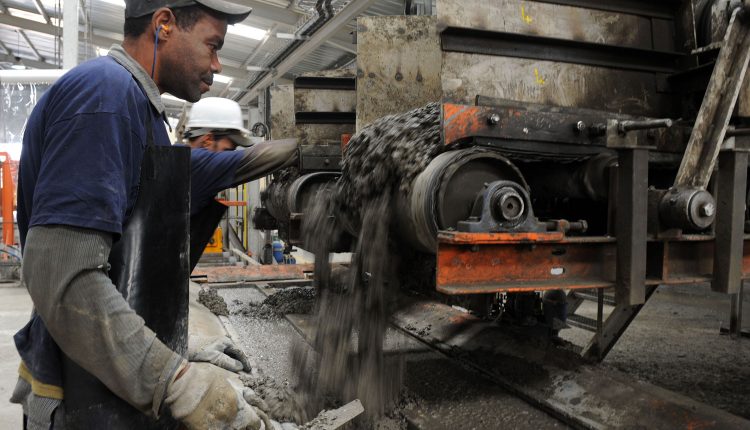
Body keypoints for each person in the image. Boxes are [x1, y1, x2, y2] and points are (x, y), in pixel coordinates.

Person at [10, 1, 271, 429]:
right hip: (82, 399)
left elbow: (124, 268)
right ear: (164, 24)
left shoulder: (139, 109)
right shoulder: (106, 97)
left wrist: (172, 348)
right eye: (212, 45)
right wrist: (177, 381)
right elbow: (63, 276)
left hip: (107, 387)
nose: (217, 65)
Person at [184, 96, 297, 216]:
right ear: (208, 140)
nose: (229, 156)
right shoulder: (198, 162)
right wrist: (304, 146)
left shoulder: (183, 159)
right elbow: (263, 155)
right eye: (227, 150)